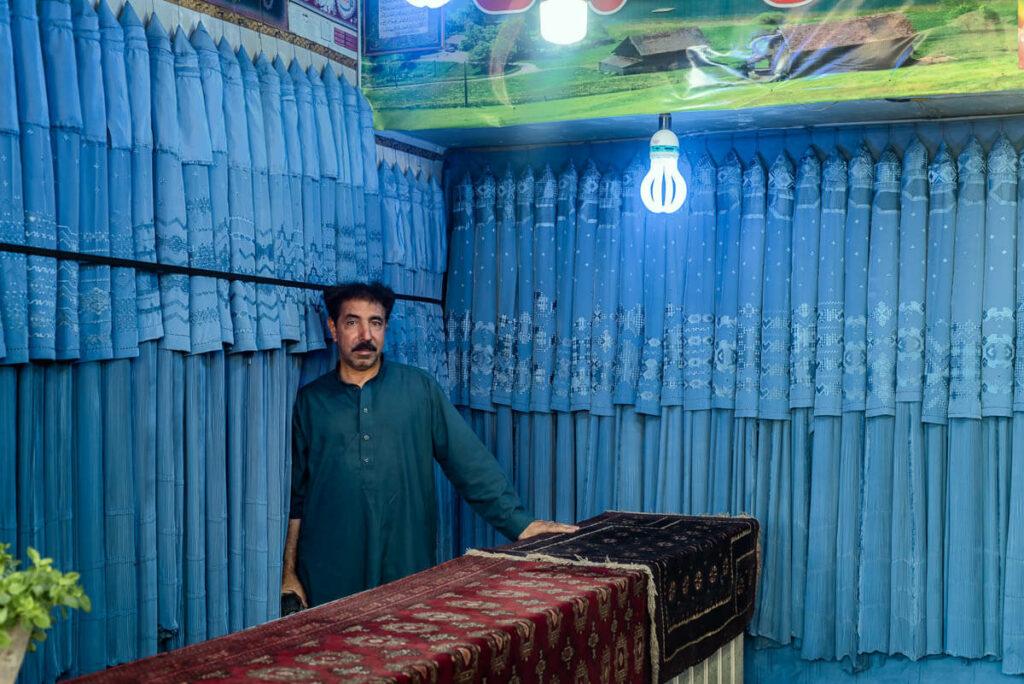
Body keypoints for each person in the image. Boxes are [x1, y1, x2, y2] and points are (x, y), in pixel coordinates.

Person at [282, 282, 577, 608]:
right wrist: (287, 572)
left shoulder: (419, 390)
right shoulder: (311, 402)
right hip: (329, 571)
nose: (365, 334)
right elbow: (296, 498)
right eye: (352, 322)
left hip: (406, 561)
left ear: (385, 329)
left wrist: (520, 524)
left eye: (375, 323)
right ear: (333, 329)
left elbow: (468, 462)